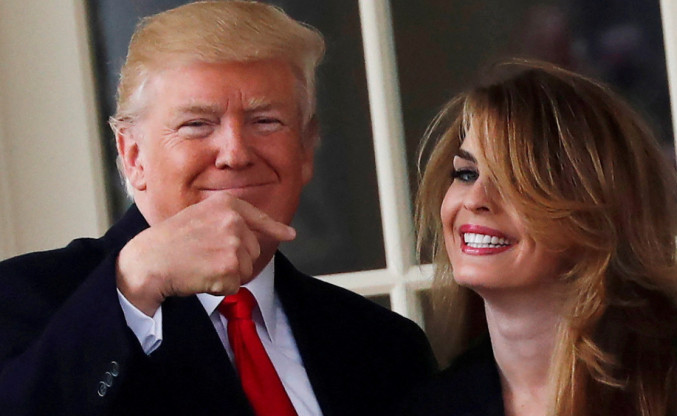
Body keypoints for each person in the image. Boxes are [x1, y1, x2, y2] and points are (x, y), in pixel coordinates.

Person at [0, 2, 436, 415]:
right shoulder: (27, 302)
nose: (235, 153)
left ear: (306, 149)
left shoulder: (383, 345)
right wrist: (134, 284)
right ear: (133, 156)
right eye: (196, 125)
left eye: (265, 121)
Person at [407, 59, 677, 416]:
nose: (474, 200)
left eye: (515, 180)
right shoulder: (434, 405)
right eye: (467, 173)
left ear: (597, 207)